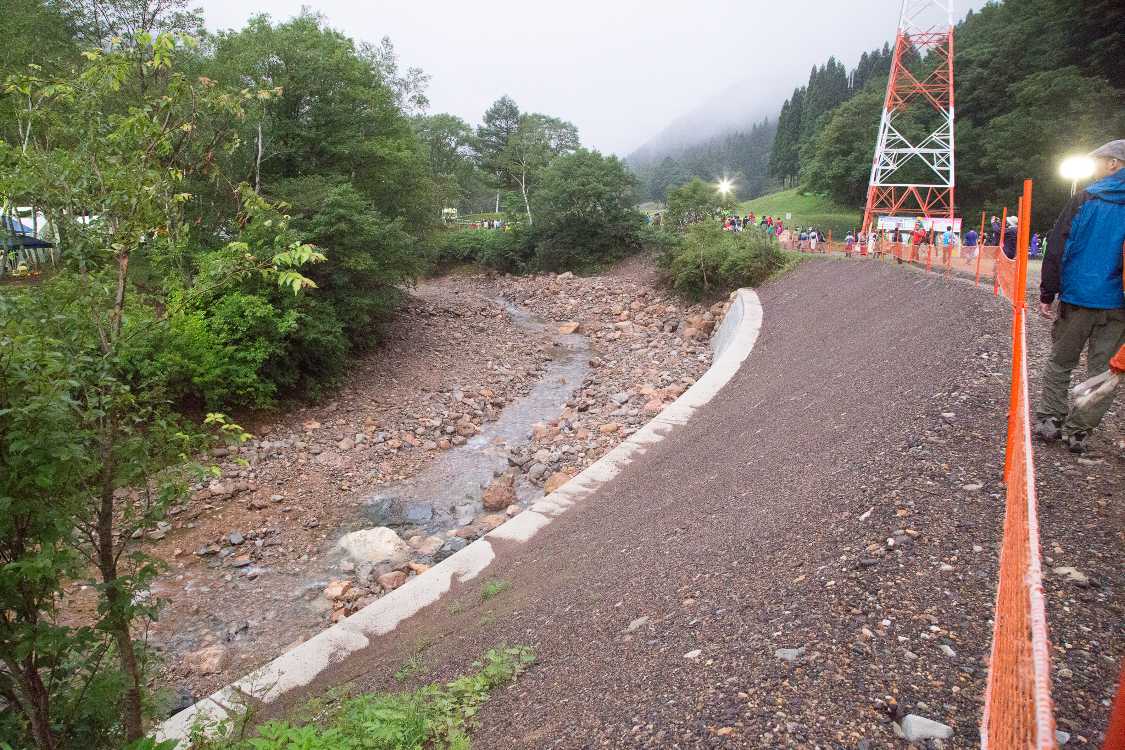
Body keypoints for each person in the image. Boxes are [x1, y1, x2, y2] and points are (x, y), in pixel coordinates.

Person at [1034, 139, 1125, 453]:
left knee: (1061, 362)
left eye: (1099, 160)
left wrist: (1048, 291)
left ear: (1114, 164)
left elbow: (1057, 247)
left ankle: (1050, 420)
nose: (1095, 166)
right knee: (1104, 371)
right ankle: (1080, 432)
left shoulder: (1085, 198)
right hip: (1119, 304)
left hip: (1079, 297)